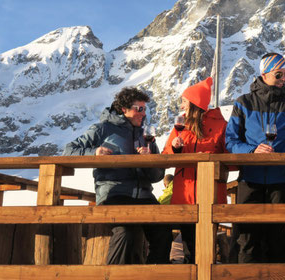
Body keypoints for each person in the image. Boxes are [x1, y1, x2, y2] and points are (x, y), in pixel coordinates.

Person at [62, 86, 172, 264]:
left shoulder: (147, 136)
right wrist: (94, 153)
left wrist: (149, 160)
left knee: (163, 232)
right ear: (124, 109)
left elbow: (157, 176)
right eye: (139, 109)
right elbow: (68, 151)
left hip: (144, 196)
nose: (143, 113)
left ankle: (153, 275)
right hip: (115, 193)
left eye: (145, 109)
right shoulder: (103, 129)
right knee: (126, 233)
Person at [226, 52, 285, 263]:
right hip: (250, 180)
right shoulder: (243, 103)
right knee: (247, 238)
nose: (283, 79)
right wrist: (251, 151)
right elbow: (230, 141)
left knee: (276, 238)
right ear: (264, 74)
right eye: (278, 74)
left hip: (280, 181)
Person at [162, 77, 228, 263]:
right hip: (185, 194)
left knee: (207, 248)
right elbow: (165, 155)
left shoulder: (220, 125)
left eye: (184, 101)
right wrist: (175, 148)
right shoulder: (181, 126)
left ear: (194, 103)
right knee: (189, 247)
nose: (181, 105)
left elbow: (230, 159)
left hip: (211, 194)